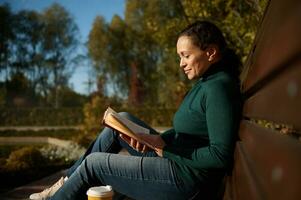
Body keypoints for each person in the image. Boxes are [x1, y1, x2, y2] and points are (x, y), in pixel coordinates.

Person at [29, 20, 241, 200]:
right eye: (180, 57)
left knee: (94, 164)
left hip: (185, 179)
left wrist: (166, 149)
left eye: (185, 55)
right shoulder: (208, 82)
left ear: (211, 52)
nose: (181, 64)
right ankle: (65, 182)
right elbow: (191, 134)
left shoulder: (218, 89)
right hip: (175, 159)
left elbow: (219, 155)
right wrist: (151, 140)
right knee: (120, 121)